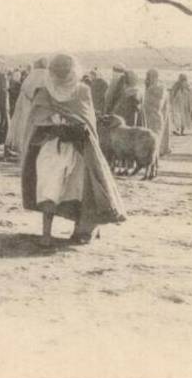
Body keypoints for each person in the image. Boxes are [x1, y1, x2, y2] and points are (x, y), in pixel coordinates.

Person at [21, 53, 126, 246]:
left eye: (64, 71)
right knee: (49, 188)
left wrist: (75, 129)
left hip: (78, 147)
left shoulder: (82, 91)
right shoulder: (44, 93)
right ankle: (46, 234)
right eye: (58, 71)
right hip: (52, 146)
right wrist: (54, 127)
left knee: (79, 189)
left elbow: (87, 121)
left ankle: (82, 230)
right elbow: (36, 121)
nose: (61, 75)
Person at [5, 57, 48, 158]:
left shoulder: (30, 77)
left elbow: (25, 91)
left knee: (25, 126)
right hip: (41, 107)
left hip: (27, 106)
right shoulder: (47, 77)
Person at [143, 69, 172, 156]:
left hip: (156, 115)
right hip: (156, 115)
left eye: (148, 76)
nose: (147, 79)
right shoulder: (156, 87)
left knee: (156, 134)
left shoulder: (157, 88)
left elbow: (156, 104)